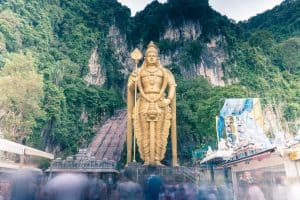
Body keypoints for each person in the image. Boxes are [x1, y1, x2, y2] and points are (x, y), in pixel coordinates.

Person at [127, 41, 177, 166]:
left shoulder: (165, 72)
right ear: (145, 58)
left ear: (157, 58)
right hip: (144, 101)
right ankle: (146, 159)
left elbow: (172, 86)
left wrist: (168, 99)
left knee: (160, 131)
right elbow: (132, 90)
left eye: (154, 55)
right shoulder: (139, 72)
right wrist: (133, 81)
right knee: (144, 132)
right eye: (149, 55)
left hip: (160, 102)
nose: (151, 57)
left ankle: (157, 158)